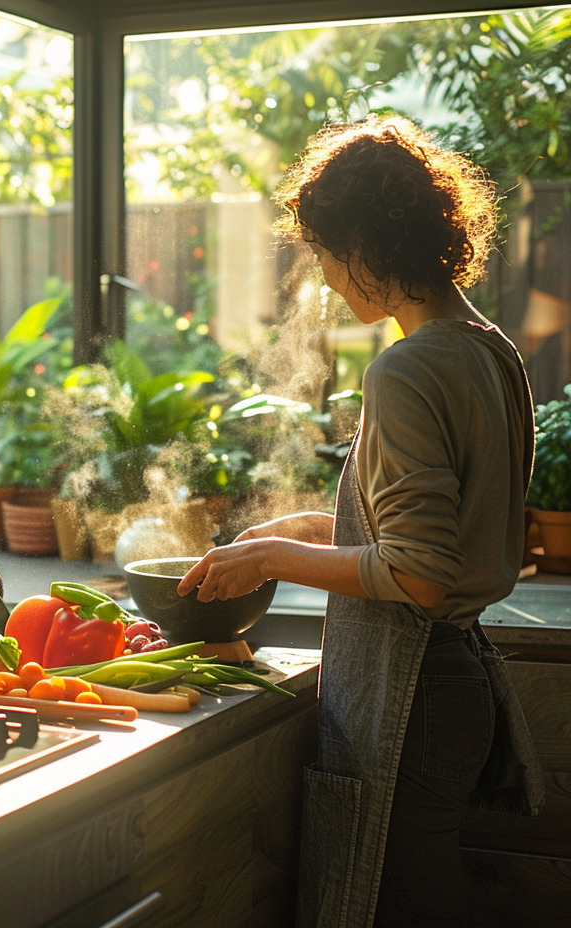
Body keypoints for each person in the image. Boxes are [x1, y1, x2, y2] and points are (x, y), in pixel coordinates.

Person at [176, 115, 545, 927]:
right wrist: (315, 526)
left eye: (328, 255)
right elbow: (445, 523)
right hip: (455, 683)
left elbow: (418, 574)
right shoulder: (490, 350)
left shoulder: (406, 369)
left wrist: (270, 556)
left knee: (392, 908)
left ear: (371, 245)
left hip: (415, 689)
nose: (329, 282)